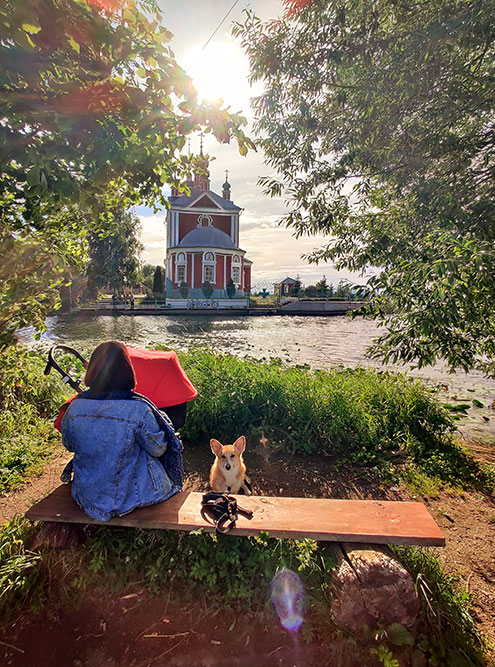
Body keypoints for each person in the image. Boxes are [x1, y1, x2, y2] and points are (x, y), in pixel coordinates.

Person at [60, 341, 183, 521]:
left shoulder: (75, 407)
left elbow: (69, 445)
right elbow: (159, 449)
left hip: (87, 495)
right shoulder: (139, 410)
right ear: (128, 371)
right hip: (135, 496)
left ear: (92, 371)